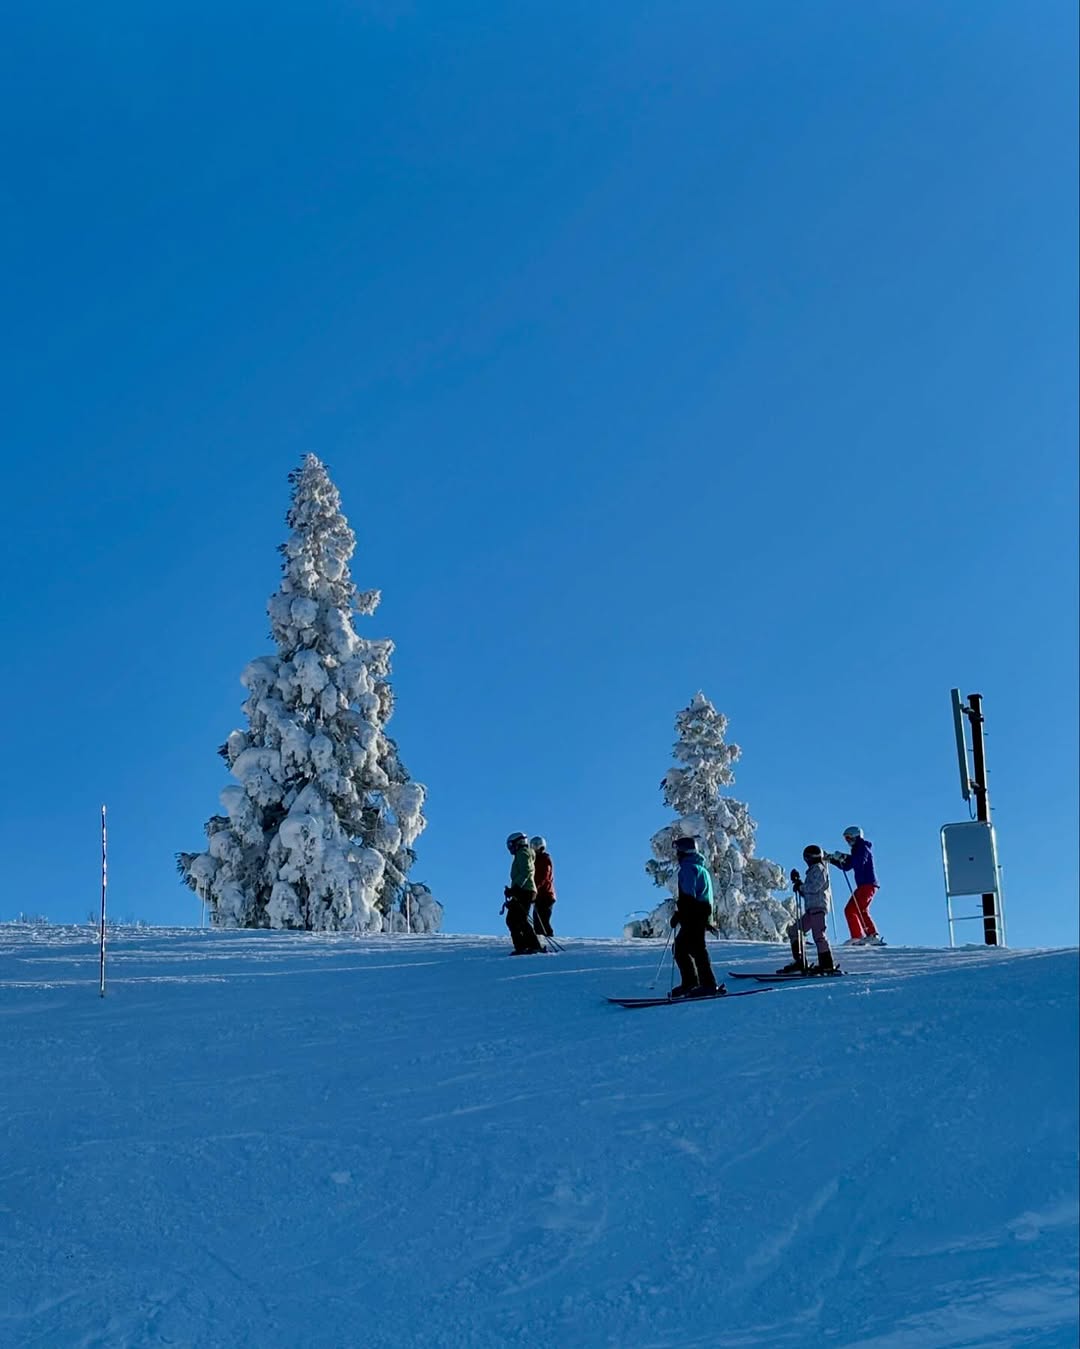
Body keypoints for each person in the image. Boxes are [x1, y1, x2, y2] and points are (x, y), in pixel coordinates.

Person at [670, 837, 720, 998]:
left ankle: (707, 984)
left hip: (693, 911)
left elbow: (688, 895)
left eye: (677, 850)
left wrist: (680, 914)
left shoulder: (687, 868)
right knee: (683, 947)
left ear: (683, 852)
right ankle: (693, 983)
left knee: (694, 948)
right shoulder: (700, 868)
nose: (676, 854)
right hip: (701, 911)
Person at [779, 846, 836, 974]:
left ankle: (826, 964)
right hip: (811, 909)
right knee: (794, 931)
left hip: (818, 908)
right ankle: (800, 961)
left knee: (819, 935)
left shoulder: (820, 869)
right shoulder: (813, 871)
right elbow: (809, 891)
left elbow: (814, 887)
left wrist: (801, 886)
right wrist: (798, 885)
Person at [827, 825, 882, 945]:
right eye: (846, 839)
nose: (848, 841)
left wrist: (843, 857)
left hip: (867, 885)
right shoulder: (857, 849)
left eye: (849, 838)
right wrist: (833, 859)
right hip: (867, 885)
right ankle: (872, 935)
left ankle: (858, 936)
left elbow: (858, 862)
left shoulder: (862, 848)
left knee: (850, 909)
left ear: (857, 837)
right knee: (861, 909)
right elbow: (847, 866)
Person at [503, 832, 543, 954]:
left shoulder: (523, 853)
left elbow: (527, 871)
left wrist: (516, 888)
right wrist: (512, 890)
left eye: (511, 845)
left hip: (524, 891)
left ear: (518, 842)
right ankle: (524, 946)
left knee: (518, 919)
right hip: (524, 890)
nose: (510, 848)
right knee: (515, 919)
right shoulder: (523, 854)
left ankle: (531, 946)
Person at [530, 836, 556, 937]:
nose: (534, 849)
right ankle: (540, 941)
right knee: (537, 921)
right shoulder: (535, 861)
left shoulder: (545, 859)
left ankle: (548, 939)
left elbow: (543, 877)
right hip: (539, 895)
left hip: (546, 895)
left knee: (543, 920)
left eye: (536, 847)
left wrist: (535, 889)